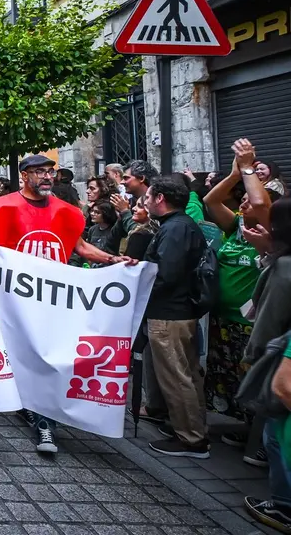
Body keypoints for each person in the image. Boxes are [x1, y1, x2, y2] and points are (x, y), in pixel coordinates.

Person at [0, 154, 134, 454]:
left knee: (49, 360)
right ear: (24, 176)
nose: (47, 177)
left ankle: (45, 425)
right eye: (38, 172)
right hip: (15, 302)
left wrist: (112, 259)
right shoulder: (1, 208)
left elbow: (80, 247)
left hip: (54, 302)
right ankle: (30, 407)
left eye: (49, 171)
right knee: (24, 360)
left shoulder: (68, 212)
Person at [203, 139, 270, 437]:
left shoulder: (271, 234)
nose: (243, 201)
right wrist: (233, 175)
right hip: (224, 319)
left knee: (251, 380)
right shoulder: (236, 228)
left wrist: (247, 168)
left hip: (249, 324)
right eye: (240, 197)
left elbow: (259, 202)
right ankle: (243, 428)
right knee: (230, 379)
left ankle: (257, 440)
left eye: (249, 198)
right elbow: (211, 202)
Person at [143, 176, 211, 458]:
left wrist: (141, 291)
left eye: (148, 196)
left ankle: (191, 439)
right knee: (185, 374)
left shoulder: (175, 230)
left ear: (160, 198)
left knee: (176, 376)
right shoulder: (177, 227)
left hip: (170, 314)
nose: (145, 201)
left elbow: (166, 274)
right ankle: (190, 428)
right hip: (176, 312)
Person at [242, 199, 291, 532]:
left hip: (283, 358)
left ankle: (284, 506)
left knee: (277, 433)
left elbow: (269, 319)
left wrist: (254, 356)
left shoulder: (285, 267)